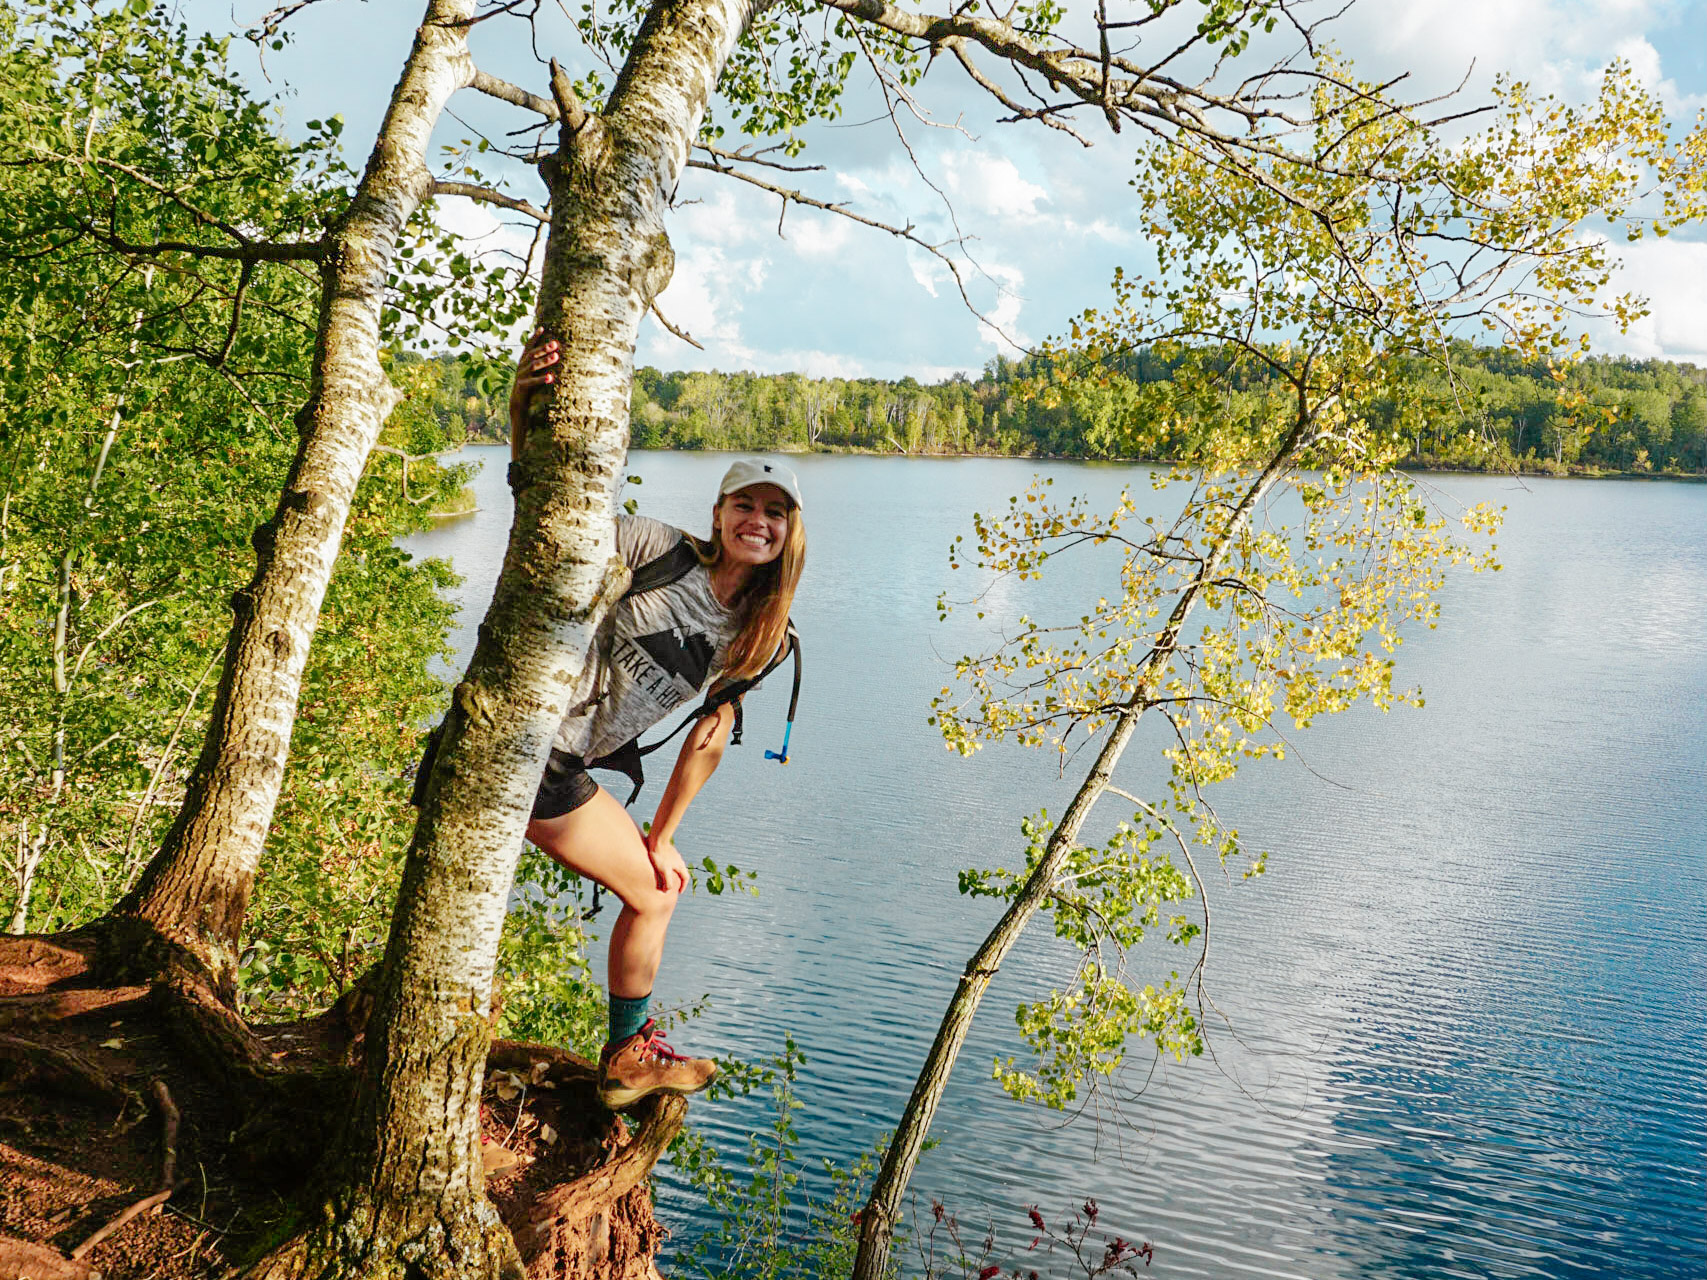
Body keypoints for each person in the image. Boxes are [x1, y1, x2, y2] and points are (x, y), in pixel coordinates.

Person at [511, 334, 806, 1109]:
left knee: (657, 885)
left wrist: (664, 833)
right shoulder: (658, 548)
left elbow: (708, 737)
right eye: (745, 504)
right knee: (651, 896)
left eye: (775, 512)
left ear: (789, 533)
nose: (757, 520)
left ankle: (625, 1056)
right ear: (719, 512)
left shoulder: (762, 633)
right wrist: (522, 407)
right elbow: (549, 519)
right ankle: (626, 1054)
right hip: (526, 743)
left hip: (560, 767)